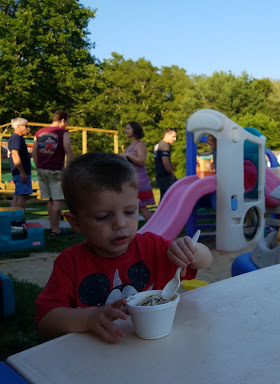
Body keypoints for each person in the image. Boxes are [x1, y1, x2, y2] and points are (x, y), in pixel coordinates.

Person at [35, 152, 213, 343]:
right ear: (75, 222)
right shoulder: (70, 263)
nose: (120, 224)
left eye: (129, 212)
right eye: (103, 216)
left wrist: (191, 251)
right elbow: (45, 322)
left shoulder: (153, 247)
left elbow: (205, 260)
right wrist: (87, 319)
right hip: (97, 360)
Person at [32, 110, 74, 236]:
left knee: (50, 200)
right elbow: (69, 151)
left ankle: (52, 227)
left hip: (41, 169)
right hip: (56, 170)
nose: (66, 124)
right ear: (63, 120)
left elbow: (34, 152)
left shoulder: (38, 132)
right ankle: (56, 230)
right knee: (57, 200)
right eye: (66, 122)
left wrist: (38, 165)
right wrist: (69, 168)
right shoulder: (63, 133)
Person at [121, 121, 155, 221]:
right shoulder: (130, 145)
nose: (126, 131)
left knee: (142, 207)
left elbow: (141, 161)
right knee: (134, 206)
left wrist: (128, 155)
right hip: (131, 180)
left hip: (139, 180)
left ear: (134, 130)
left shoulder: (140, 145)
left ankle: (155, 228)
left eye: (128, 128)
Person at [7, 117, 32, 209]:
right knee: (22, 195)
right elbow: (15, 155)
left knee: (17, 195)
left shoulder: (18, 138)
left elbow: (21, 155)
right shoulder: (16, 138)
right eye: (26, 126)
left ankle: (13, 218)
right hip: (21, 172)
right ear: (18, 126)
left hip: (19, 172)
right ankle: (19, 219)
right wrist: (22, 172)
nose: (28, 128)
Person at [153, 128, 178, 199]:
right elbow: (165, 162)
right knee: (173, 196)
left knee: (164, 197)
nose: (175, 139)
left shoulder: (158, 144)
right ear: (167, 135)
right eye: (173, 137)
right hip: (166, 176)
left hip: (159, 175)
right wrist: (172, 173)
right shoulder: (165, 146)